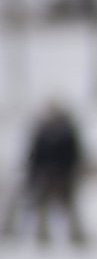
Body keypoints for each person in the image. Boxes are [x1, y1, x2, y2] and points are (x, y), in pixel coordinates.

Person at [4, 102, 88, 246]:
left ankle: (76, 236)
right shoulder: (42, 131)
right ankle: (42, 235)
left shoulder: (67, 131)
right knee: (42, 205)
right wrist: (34, 173)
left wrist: (69, 173)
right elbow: (35, 155)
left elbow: (74, 155)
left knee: (69, 207)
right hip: (45, 175)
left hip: (63, 176)